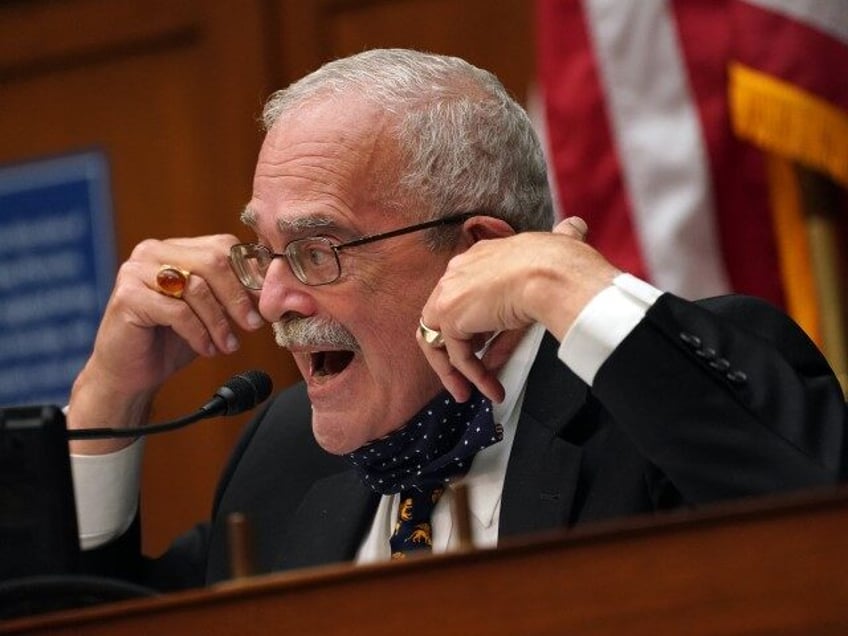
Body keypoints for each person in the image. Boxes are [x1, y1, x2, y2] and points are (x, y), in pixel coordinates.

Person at [68, 48, 846, 590]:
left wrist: (576, 290)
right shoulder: (280, 455)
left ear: (476, 249)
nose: (273, 300)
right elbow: (81, 619)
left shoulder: (651, 406)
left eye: (316, 251)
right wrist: (108, 398)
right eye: (264, 252)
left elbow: (820, 543)